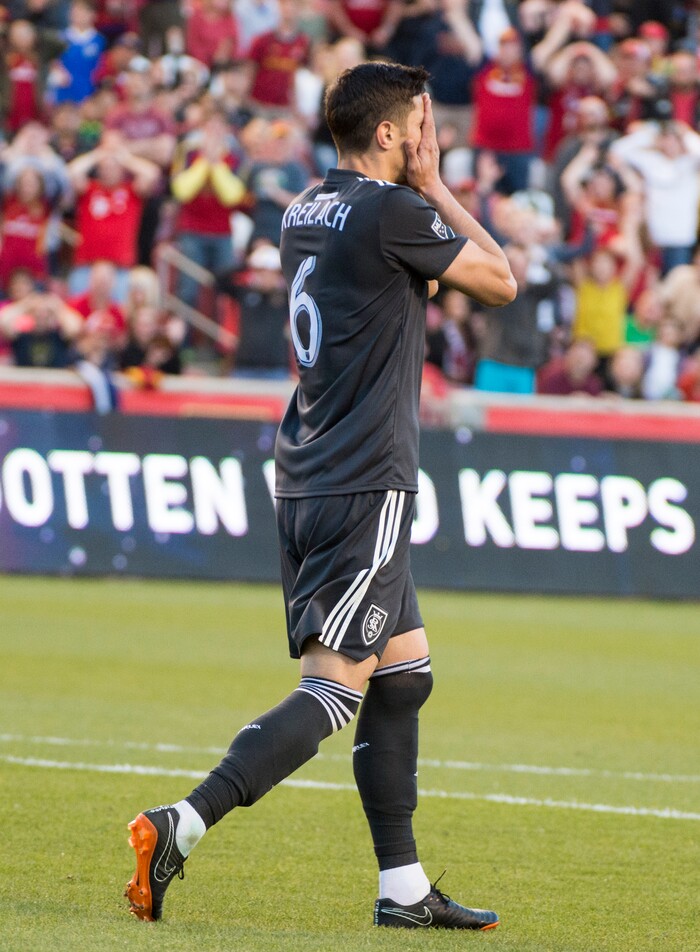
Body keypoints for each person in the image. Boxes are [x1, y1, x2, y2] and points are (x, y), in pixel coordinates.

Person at [124, 61, 515, 929]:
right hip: (365, 477)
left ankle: (402, 890)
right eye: (419, 123)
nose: (426, 136)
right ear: (389, 135)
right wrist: (439, 185)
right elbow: (501, 280)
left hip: (307, 467)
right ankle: (177, 825)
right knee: (336, 690)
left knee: (404, 674)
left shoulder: (304, 207)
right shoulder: (393, 210)